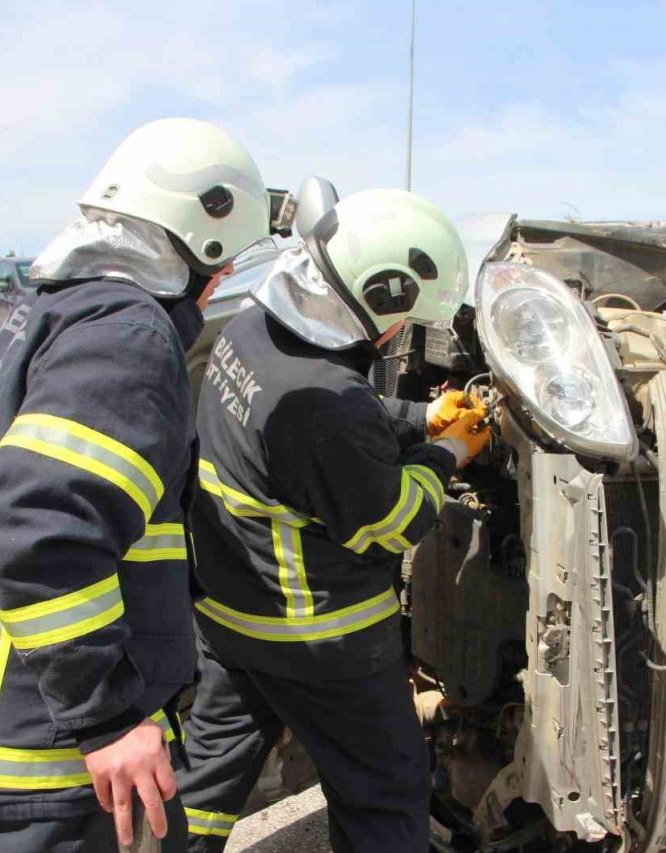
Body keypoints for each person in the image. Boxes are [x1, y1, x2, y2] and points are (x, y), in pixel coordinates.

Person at [0, 118, 269, 853]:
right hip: (52, 771)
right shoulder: (128, 334)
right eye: (227, 263)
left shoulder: (60, 309)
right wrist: (106, 718)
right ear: (200, 247)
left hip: (15, 748)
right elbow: (38, 535)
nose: (224, 282)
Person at [176, 188, 491, 852]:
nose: (398, 332)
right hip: (317, 637)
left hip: (229, 612)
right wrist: (450, 449)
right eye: (401, 315)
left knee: (208, 775)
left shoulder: (253, 330)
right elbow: (390, 522)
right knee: (385, 787)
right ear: (380, 297)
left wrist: (418, 418)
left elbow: (326, 423)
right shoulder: (328, 406)